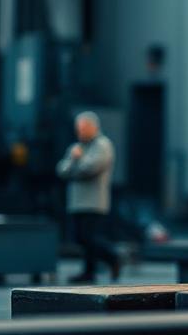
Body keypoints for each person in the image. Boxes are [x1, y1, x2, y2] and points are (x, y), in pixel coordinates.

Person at [56, 111, 120, 282]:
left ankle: (113, 257)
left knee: (90, 237)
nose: (80, 132)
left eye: (83, 128)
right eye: (78, 129)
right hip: (77, 202)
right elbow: (61, 170)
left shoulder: (102, 145)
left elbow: (91, 168)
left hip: (94, 202)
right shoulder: (77, 147)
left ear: (94, 127)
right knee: (80, 238)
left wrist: (76, 161)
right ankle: (89, 271)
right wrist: (74, 163)